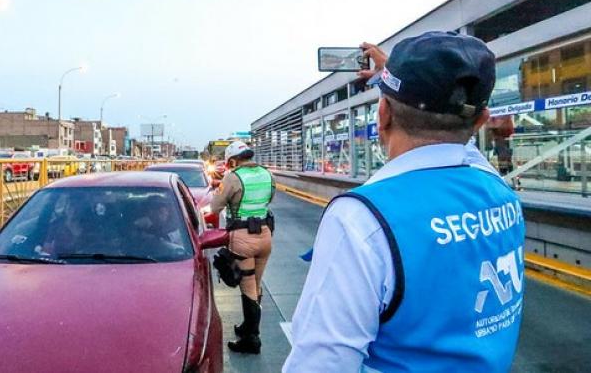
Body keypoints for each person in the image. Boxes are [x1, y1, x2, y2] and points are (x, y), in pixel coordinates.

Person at [284, 31, 525, 372]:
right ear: (480, 122)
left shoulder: (361, 219)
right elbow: (460, 146)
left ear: (382, 114)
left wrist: (394, 81)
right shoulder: (500, 192)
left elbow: (319, 364)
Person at [210, 141, 275, 354]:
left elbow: (215, 206)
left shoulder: (233, 177)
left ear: (232, 160)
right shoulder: (267, 174)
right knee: (256, 285)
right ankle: (248, 326)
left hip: (242, 238)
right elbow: (269, 198)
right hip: (265, 236)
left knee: (247, 287)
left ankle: (251, 340)